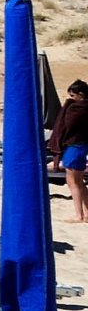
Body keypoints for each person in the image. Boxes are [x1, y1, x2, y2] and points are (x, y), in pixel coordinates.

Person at [50, 79, 88, 223]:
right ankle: (86, 213)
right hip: (81, 146)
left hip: (75, 147)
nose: (70, 99)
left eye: (72, 96)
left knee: (73, 182)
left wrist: (67, 105)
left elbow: (68, 124)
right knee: (79, 182)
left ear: (81, 94)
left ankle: (79, 215)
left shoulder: (78, 109)